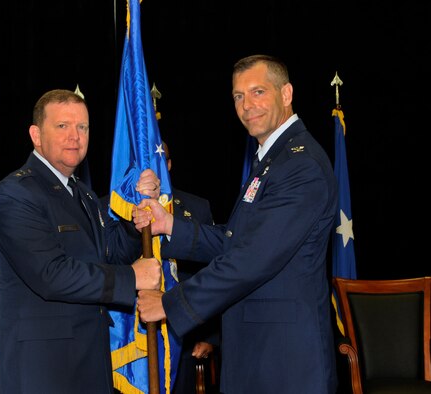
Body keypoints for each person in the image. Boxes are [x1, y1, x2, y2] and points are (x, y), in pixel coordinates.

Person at [134, 55, 339, 394]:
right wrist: (170, 224)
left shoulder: (300, 166)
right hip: (257, 351)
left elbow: (252, 259)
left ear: (286, 94)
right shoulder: (272, 159)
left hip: (285, 361)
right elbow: (237, 240)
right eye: (238, 96)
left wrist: (171, 304)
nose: (247, 105)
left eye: (258, 92)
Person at [0, 89, 162, 394]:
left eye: (82, 127)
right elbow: (51, 275)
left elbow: (108, 251)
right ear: (36, 135)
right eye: (62, 126)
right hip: (42, 369)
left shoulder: (82, 193)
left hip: (90, 362)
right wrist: (133, 277)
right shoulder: (17, 193)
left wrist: (136, 227)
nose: (75, 136)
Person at [161, 140, 220, 394]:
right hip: (129, 340)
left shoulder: (197, 208)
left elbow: (215, 274)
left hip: (185, 338)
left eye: (160, 160)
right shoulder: (111, 207)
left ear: (169, 165)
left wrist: (211, 337)